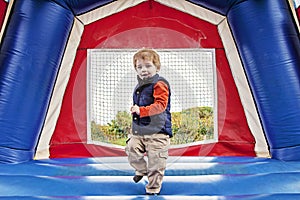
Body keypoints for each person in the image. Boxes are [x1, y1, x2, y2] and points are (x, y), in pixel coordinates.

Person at [125, 48, 172, 195]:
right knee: (131, 147)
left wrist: (141, 110)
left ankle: (152, 189)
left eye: (148, 66)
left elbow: (160, 105)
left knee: (156, 163)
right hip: (140, 131)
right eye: (139, 67)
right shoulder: (139, 86)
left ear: (157, 67)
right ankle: (141, 169)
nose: (143, 70)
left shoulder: (159, 84)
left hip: (158, 133)